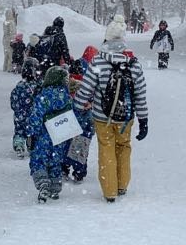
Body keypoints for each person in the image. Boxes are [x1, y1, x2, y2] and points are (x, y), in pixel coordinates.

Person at [73, 13, 148, 202]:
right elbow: (140, 93)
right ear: (123, 40)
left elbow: (86, 89)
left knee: (106, 149)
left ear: (106, 37)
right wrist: (143, 119)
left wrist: (77, 106)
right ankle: (122, 185)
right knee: (124, 147)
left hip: (102, 116)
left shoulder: (98, 61)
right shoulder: (134, 64)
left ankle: (109, 192)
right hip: (126, 117)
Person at [25, 66, 73, 202]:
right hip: (60, 135)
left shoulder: (43, 96)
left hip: (43, 136)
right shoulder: (67, 96)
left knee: (39, 161)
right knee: (55, 162)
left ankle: (43, 184)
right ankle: (55, 187)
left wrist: (30, 133)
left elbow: (35, 116)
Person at [61, 48, 98, 183]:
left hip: (70, 120)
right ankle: (79, 172)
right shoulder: (89, 84)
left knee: (66, 144)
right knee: (81, 147)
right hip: (85, 122)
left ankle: (63, 168)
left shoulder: (68, 86)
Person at [9, 62, 38, 158]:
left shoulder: (18, 87)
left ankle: (19, 146)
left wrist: (16, 109)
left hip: (19, 114)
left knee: (19, 131)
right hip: (32, 114)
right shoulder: (37, 87)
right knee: (32, 131)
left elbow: (13, 101)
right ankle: (31, 145)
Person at [2, 7, 17, 72]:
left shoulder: (5, 22)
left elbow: (5, 32)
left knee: (6, 55)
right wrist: (14, 40)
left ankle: (4, 67)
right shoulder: (11, 22)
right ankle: (9, 68)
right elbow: (12, 32)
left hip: (5, 39)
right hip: (10, 40)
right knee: (11, 55)